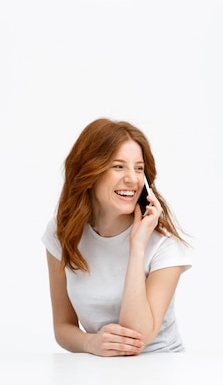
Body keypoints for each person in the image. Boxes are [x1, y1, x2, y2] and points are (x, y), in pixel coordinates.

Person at [42, 118, 192, 356]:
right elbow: (63, 327)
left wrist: (137, 245)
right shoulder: (62, 234)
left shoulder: (164, 243)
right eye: (118, 166)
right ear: (89, 173)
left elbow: (137, 336)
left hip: (159, 367)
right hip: (99, 367)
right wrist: (90, 343)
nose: (132, 179)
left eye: (139, 168)